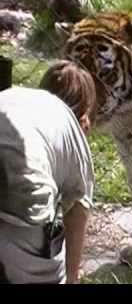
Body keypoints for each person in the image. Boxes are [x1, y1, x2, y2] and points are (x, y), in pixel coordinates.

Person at [0, 61, 97, 284]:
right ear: (85, 123)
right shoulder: (74, 135)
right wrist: (71, 278)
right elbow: (77, 217)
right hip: (23, 185)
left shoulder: (20, 97)